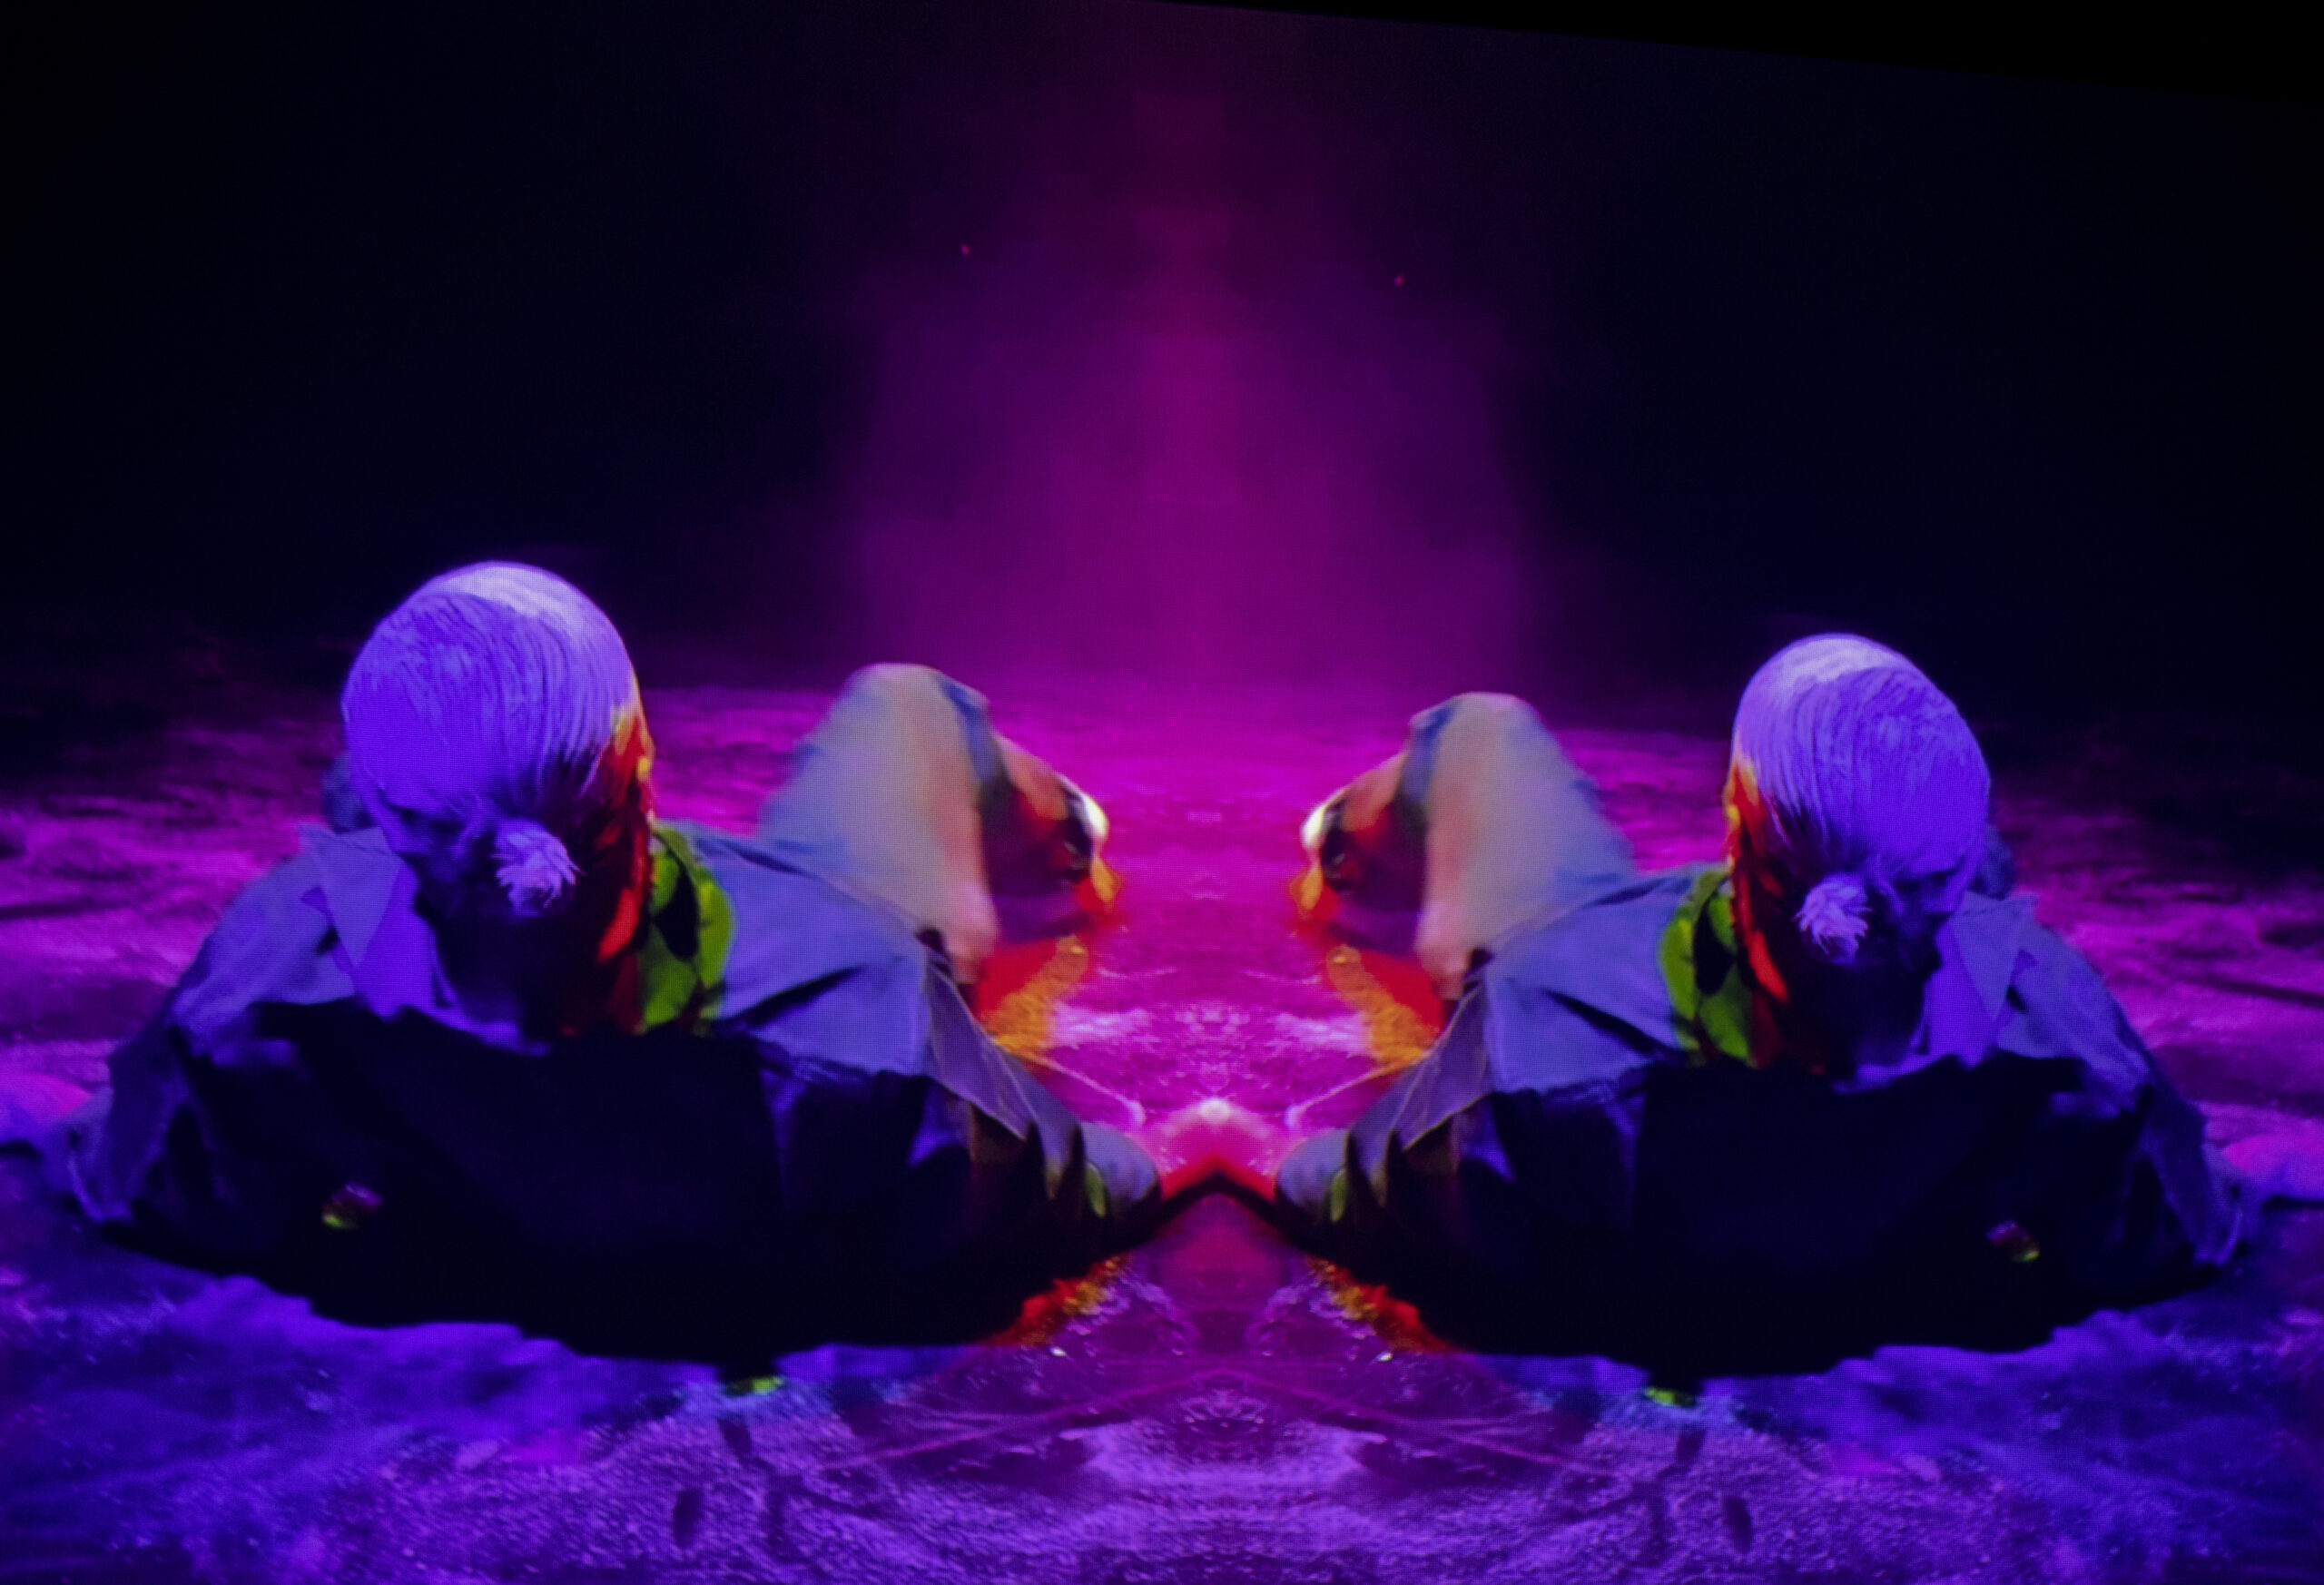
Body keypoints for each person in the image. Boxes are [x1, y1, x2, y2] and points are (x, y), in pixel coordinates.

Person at [5, 564, 1157, 1350]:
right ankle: (1070, 835)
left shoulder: (266, 992)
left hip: (503, 914)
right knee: (905, 705)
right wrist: (1190, 1158)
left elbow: (136, 1179)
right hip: (815, 931)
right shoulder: (854, 1018)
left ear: (384, 820)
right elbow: (1070, 1192)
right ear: (644, 764)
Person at [1271, 636, 2284, 1356]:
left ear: (1732, 821)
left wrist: (1263, 1166)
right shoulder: (2060, 1041)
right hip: (1817, 962)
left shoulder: (1550, 1045)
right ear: (1953, 878)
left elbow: (1361, 1198)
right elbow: (2174, 1231)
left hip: (1579, 953)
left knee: (1482, 731)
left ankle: (1336, 841)